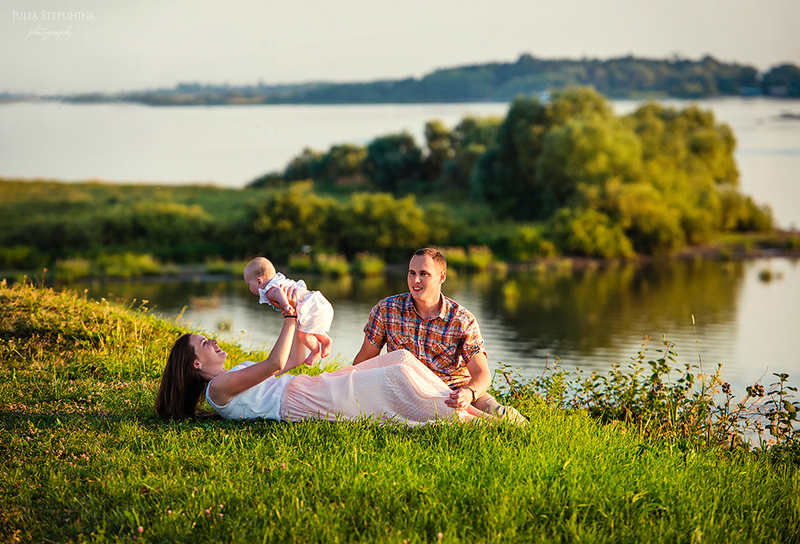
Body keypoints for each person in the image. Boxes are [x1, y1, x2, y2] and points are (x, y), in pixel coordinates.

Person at [155, 285, 499, 425]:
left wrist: (305, 324)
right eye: (205, 344)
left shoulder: (233, 374)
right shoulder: (217, 390)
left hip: (307, 387)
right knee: (396, 378)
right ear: (196, 364)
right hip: (300, 402)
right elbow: (275, 363)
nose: (213, 341)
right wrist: (289, 315)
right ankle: (474, 421)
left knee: (402, 360)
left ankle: (465, 406)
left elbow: (290, 361)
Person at [353, 247, 525, 423]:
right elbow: (365, 358)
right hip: (405, 393)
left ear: (441, 277)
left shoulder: (462, 320)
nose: (415, 280)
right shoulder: (387, 309)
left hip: (454, 394)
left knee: (500, 417)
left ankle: (524, 424)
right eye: (412, 273)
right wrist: (349, 387)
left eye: (424, 274)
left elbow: (482, 374)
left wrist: (468, 393)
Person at [244, 256, 333, 367]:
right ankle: (325, 340)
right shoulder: (278, 281)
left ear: (259, 281)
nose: (249, 288)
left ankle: (316, 351)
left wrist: (286, 305)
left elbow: (278, 292)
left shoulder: (269, 290)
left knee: (304, 336)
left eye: (249, 284)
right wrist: (284, 307)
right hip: (318, 304)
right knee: (309, 329)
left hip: (312, 307)